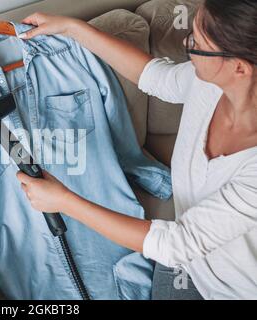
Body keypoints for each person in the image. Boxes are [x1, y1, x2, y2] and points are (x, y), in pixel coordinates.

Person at [16, 0, 257, 299]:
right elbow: (156, 77)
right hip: (188, 263)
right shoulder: (209, 84)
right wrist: (73, 28)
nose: (185, 42)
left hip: (234, 288)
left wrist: (64, 201)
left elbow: (175, 244)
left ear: (239, 67)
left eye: (196, 42)